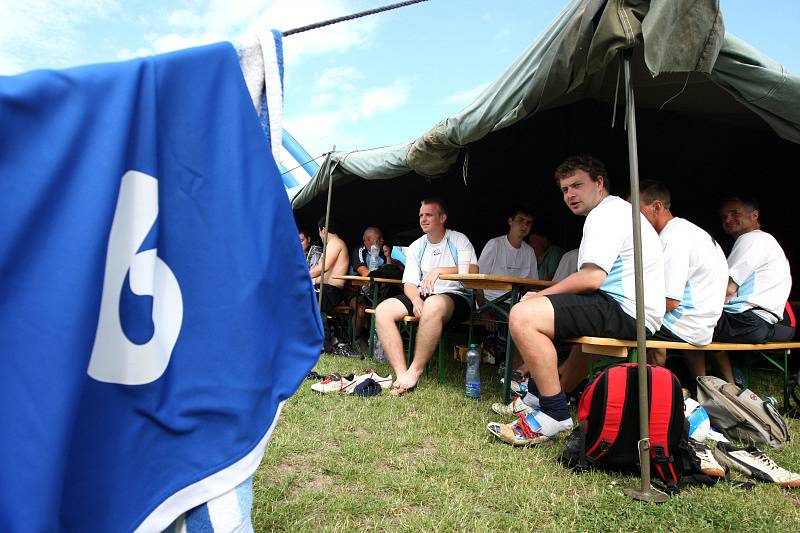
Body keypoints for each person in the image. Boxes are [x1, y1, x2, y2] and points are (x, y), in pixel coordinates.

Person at [487, 154, 665, 446]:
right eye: (565, 190)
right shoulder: (619, 210)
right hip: (638, 311)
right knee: (580, 341)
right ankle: (535, 399)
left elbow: (591, 278)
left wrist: (539, 295)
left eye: (577, 186)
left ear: (599, 183)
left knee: (523, 315)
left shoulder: (605, 214)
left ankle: (554, 415)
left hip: (627, 309)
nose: (570, 195)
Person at [375, 198, 478, 395]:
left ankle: (415, 370)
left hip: (456, 295)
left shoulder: (458, 239)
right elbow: (410, 284)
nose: (423, 219)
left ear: (443, 218)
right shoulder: (416, 246)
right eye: (421, 215)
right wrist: (415, 301)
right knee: (383, 310)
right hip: (423, 295)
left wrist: (440, 270)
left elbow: (473, 270)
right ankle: (401, 373)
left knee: (433, 304)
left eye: (428, 215)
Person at [637, 180, 728, 381]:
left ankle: (654, 390)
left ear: (657, 206)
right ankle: (698, 389)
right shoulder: (690, 230)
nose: (633, 218)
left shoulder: (673, 237)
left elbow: (670, 301)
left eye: (637, 210)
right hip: (702, 322)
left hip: (687, 323)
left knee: (631, 320)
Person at [710, 197, 793, 382]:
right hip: (761, 322)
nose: (728, 220)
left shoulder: (752, 239)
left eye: (735, 213)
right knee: (702, 324)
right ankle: (730, 385)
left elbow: (726, 289)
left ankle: (693, 385)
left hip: (746, 319)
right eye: (724, 217)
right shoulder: (767, 242)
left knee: (688, 322)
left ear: (754, 215)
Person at [349, 226, 403, 349]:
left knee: (388, 306)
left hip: (379, 291)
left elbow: (390, 273)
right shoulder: (359, 251)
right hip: (357, 291)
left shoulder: (382, 254)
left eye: (382, 238)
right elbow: (365, 273)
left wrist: (388, 256)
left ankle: (383, 343)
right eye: (378, 239)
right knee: (361, 310)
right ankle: (356, 339)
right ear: (367, 240)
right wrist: (376, 264)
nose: (382, 241)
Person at [309, 217, 349, 314]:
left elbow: (323, 268)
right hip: (324, 290)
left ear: (323, 229)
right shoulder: (331, 244)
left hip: (329, 292)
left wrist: (301, 276)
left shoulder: (335, 243)